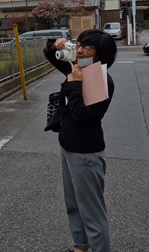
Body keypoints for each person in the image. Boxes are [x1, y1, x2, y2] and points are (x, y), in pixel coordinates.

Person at [44, 29, 117, 252]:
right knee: (74, 205)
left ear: (100, 54)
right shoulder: (79, 68)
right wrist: (55, 45)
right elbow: (50, 55)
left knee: (92, 212)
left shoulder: (101, 80)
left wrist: (74, 85)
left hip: (85, 153)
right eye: (79, 44)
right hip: (69, 147)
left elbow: (83, 116)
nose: (80, 50)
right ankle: (81, 247)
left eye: (87, 47)